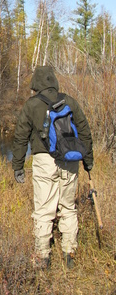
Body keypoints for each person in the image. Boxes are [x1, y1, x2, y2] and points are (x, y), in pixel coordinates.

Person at [12, 66, 93, 269]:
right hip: (70, 160)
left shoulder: (32, 105)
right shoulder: (69, 101)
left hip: (44, 161)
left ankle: (43, 257)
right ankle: (69, 253)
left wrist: (18, 166)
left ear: (36, 84)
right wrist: (88, 160)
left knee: (44, 210)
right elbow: (84, 130)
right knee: (68, 207)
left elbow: (21, 137)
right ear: (54, 81)